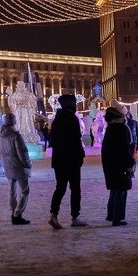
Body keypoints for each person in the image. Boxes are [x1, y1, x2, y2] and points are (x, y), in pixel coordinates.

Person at [48, 93, 87, 229]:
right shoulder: (72, 119)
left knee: (60, 188)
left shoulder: (56, 120)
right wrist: (80, 155)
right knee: (75, 188)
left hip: (59, 160)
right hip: (71, 160)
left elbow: (52, 141)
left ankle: (54, 214)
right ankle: (75, 217)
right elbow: (76, 140)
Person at [101, 106, 135, 226]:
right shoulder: (121, 129)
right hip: (120, 165)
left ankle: (111, 214)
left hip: (110, 164)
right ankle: (118, 217)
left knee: (115, 189)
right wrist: (130, 164)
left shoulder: (110, 129)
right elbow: (124, 149)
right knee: (121, 189)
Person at [0, 112, 33, 225]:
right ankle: (18, 214)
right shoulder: (16, 136)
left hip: (8, 166)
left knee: (12, 191)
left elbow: (0, 153)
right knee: (25, 191)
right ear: (13, 121)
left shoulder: (1, 137)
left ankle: (13, 212)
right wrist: (28, 163)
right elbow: (22, 152)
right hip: (18, 167)